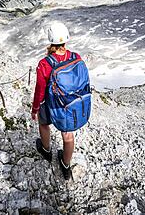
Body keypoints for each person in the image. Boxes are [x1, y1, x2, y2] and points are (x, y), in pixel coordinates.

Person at [31, 22, 81, 180]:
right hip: (69, 104)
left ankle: (46, 151)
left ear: (50, 40)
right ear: (66, 40)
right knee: (68, 135)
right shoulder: (75, 57)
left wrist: (35, 108)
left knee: (44, 123)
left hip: (50, 103)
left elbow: (40, 89)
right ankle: (65, 166)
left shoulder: (45, 64)